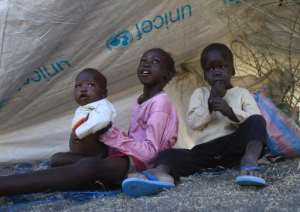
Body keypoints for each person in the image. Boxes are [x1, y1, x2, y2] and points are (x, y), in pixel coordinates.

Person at [0, 48, 178, 196]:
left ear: (167, 75)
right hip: (124, 157)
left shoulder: (161, 103)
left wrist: (110, 134)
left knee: (87, 166)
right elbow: (133, 140)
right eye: (143, 60)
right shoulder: (141, 100)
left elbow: (149, 154)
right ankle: (94, 178)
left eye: (154, 61)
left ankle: (5, 186)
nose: (146, 64)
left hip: (141, 166)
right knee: (58, 160)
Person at [123, 43, 267, 197]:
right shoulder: (200, 93)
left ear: (232, 69)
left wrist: (230, 112)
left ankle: (249, 162)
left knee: (258, 121)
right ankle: (160, 174)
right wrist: (210, 105)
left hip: (233, 147)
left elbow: (253, 117)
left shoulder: (242, 93)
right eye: (211, 69)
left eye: (222, 66)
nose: (217, 71)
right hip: (205, 151)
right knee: (168, 154)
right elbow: (193, 123)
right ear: (204, 74)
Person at [50, 68, 116, 167]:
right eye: (78, 86)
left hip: (96, 155)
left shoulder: (102, 105)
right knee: (57, 159)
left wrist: (79, 133)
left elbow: (103, 120)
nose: (83, 89)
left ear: (104, 93)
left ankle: (94, 164)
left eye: (90, 85)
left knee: (56, 159)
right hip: (80, 155)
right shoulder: (82, 109)